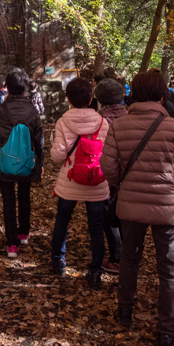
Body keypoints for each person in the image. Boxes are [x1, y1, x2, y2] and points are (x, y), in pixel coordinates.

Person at [101, 70, 174, 346]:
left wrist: (122, 185)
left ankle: (125, 312)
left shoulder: (119, 127)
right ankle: (166, 331)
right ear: (161, 94)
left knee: (130, 259)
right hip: (168, 206)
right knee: (169, 270)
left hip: (130, 204)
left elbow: (108, 167)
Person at [50, 77, 111, 287]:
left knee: (62, 221)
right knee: (96, 226)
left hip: (70, 180)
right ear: (91, 98)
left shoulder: (63, 122)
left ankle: (58, 260)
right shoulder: (103, 123)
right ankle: (95, 269)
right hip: (96, 181)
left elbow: (57, 157)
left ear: (68, 99)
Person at [0, 68, 44, 257]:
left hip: (4, 158)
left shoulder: (1, 109)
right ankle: (24, 233)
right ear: (25, 87)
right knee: (24, 196)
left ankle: (11, 244)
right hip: (26, 159)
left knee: (8, 200)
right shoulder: (33, 110)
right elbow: (38, 138)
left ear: (9, 87)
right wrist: (41, 161)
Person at [94, 78, 127, 273]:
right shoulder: (130, 116)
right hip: (131, 175)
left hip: (107, 175)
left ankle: (117, 257)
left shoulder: (99, 120)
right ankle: (128, 255)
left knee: (109, 217)